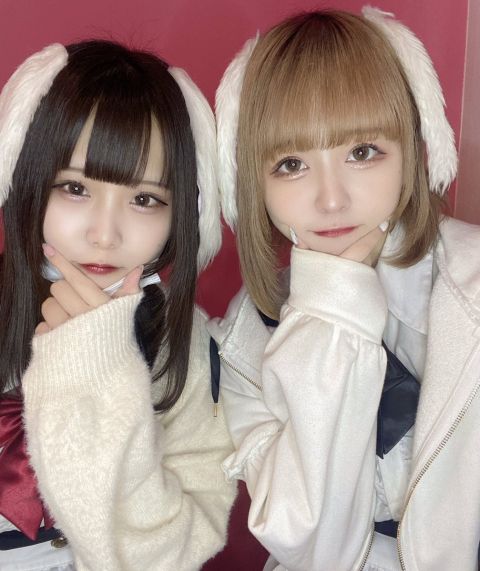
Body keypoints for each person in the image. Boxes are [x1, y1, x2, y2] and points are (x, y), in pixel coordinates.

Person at [208, 7, 480, 571]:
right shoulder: (242, 337)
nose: (331, 200)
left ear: (413, 149)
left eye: (361, 152)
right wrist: (335, 307)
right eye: (291, 164)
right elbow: (315, 548)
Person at [0, 40, 235, 570]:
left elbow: (175, 552)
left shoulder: (186, 344)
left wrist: (102, 372)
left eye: (145, 199)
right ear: (21, 177)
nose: (105, 234)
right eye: (74, 188)